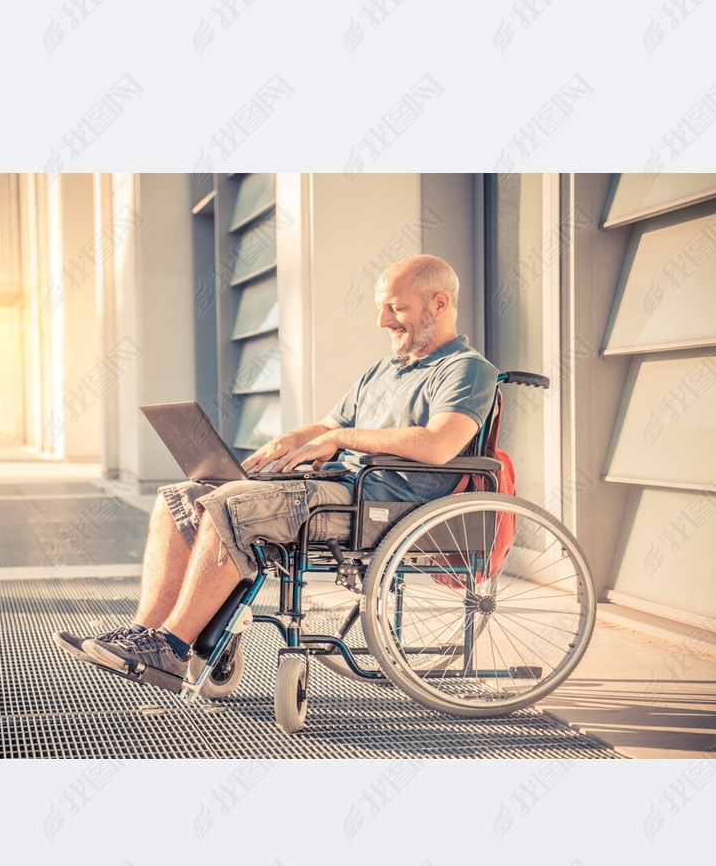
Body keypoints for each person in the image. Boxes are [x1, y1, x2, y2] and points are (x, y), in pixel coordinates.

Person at [53, 253, 500, 689]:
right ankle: (145, 636)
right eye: (382, 308)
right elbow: (330, 426)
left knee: (228, 503)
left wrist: (341, 440)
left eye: (396, 308)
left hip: (380, 500)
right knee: (182, 497)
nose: (383, 321)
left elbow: (440, 444)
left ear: (439, 304)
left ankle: (171, 646)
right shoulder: (384, 370)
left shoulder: (467, 370)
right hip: (339, 487)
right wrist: (295, 439)